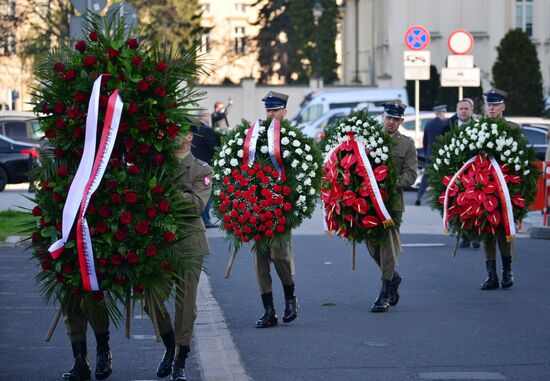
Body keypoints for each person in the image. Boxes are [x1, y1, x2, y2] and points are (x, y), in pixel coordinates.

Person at [145, 132, 212, 381]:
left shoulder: (201, 169)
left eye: (176, 131)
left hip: (189, 243)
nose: (171, 136)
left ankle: (180, 360)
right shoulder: (156, 165)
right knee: (151, 297)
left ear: (188, 136)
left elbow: (196, 206)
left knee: (185, 307)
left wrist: (164, 193)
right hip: (159, 243)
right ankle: (170, 345)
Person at [367, 101, 417, 313]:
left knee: (387, 247)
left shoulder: (406, 144)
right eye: (388, 117)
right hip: (367, 203)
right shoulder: (368, 139)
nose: (391, 122)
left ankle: (384, 292)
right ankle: (394, 277)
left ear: (401, 121)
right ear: (382, 117)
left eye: (396, 119)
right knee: (372, 246)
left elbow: (411, 174)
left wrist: (392, 182)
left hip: (392, 204)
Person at [254, 91, 298, 328]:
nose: (271, 114)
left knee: (279, 256)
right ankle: (268, 310)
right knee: (260, 262)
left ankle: (290, 297)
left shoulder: (293, 138)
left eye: (275, 110)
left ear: (284, 111)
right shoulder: (255, 137)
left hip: (282, 208)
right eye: (268, 110)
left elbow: (301, 174)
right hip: (257, 207)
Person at [479, 88, 516, 291]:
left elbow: (519, 160)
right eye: (489, 104)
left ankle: (507, 271)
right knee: (486, 232)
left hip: (505, 188)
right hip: (482, 189)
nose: (491, 108)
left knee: (503, 231)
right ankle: (491, 274)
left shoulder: (512, 129)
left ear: (503, 106)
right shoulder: (478, 129)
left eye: (495, 104)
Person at [443, 98, 480, 249]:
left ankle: (477, 235)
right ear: (457, 111)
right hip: (455, 172)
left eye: (466, 108)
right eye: (461, 109)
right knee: (459, 205)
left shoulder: (479, 126)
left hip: (475, 172)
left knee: (476, 204)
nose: (464, 111)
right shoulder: (448, 126)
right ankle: (464, 235)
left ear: (471, 111)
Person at [61, 300, 112, 381]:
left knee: (93, 300)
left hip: (91, 288)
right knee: (71, 303)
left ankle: (103, 351)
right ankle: (80, 360)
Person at [190, 112, 220, 228]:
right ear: (203, 117)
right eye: (206, 115)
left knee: (198, 191)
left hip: (195, 163)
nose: (208, 117)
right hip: (206, 165)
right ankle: (205, 219)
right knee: (208, 192)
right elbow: (213, 148)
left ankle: (200, 218)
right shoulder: (207, 130)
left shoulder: (194, 129)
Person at [415, 104, 447, 205]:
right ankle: (441, 200)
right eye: (444, 112)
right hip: (441, 155)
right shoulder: (444, 124)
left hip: (430, 155)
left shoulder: (428, 124)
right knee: (442, 177)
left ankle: (419, 197)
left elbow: (425, 141)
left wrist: (426, 153)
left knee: (426, 178)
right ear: (442, 112)